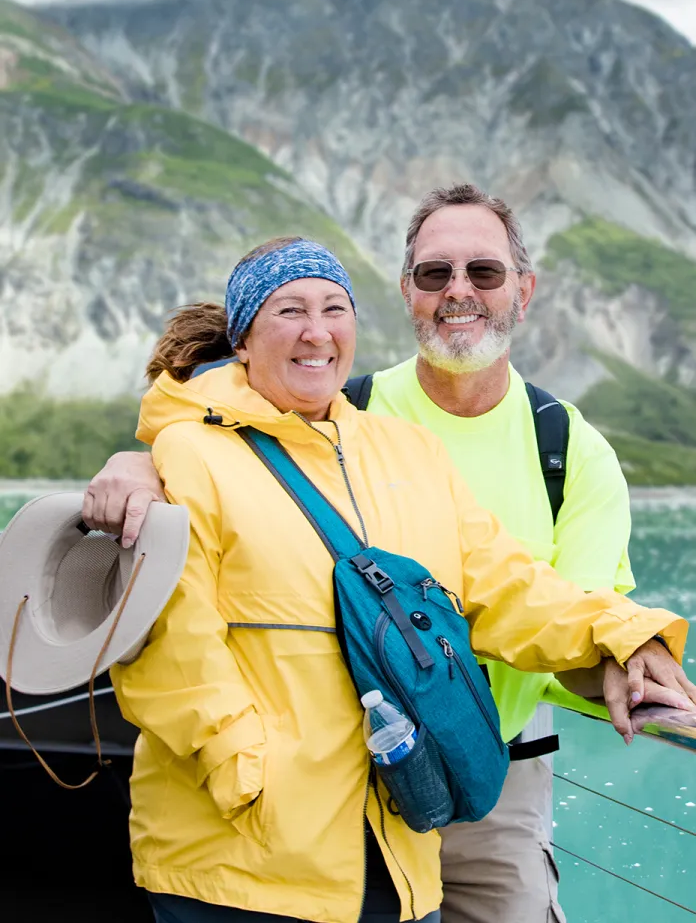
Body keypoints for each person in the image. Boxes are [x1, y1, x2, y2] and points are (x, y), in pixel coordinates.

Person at [85, 185, 678, 923]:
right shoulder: (190, 457)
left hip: (393, 839)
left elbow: (505, 583)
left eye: (334, 309)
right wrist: (251, 777)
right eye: (289, 311)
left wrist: (623, 634)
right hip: (238, 863)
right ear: (243, 337)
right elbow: (168, 650)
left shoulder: (404, 449)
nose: (317, 332)